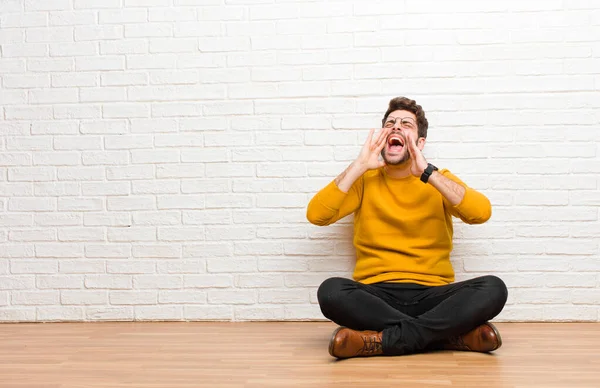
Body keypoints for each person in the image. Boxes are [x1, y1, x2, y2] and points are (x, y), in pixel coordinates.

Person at [306, 97, 508, 359]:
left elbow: (480, 213)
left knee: (494, 288)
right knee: (331, 292)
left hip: (434, 294)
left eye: (406, 124)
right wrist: (358, 166)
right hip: (378, 294)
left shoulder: (438, 179)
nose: (396, 127)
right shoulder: (364, 181)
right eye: (390, 123)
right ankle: (447, 336)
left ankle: (381, 341)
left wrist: (427, 172)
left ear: (420, 142)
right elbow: (317, 215)